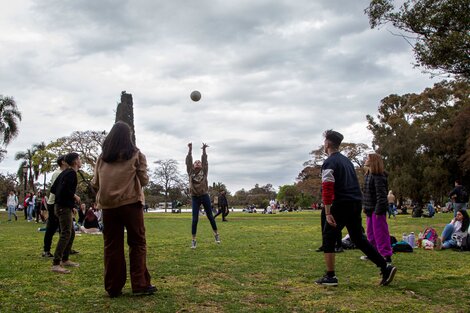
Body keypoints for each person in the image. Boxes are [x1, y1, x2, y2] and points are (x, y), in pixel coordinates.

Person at [315, 129, 397, 287]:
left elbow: (327, 188)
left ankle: (330, 276)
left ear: (327, 144)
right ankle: (385, 267)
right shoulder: (347, 161)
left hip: (340, 203)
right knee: (358, 237)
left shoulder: (329, 162)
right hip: (355, 202)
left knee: (329, 237)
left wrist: (327, 211)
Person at [92, 121, 155, 297]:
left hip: (108, 206)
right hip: (130, 203)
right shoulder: (136, 155)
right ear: (128, 137)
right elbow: (144, 180)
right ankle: (140, 284)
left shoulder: (102, 158)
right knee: (137, 243)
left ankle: (113, 287)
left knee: (112, 246)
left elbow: (95, 182)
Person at [50, 152, 81, 274]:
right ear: (75, 161)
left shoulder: (64, 173)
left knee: (71, 233)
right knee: (66, 233)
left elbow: (54, 189)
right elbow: (63, 189)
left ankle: (65, 259)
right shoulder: (71, 173)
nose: (80, 161)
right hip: (63, 207)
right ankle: (56, 263)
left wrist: (71, 205)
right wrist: (74, 196)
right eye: (79, 159)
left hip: (63, 206)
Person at [186, 142, 220, 249]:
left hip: (204, 195)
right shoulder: (190, 171)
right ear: (193, 165)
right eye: (195, 162)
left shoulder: (204, 172)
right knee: (195, 219)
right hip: (195, 197)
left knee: (210, 217)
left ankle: (216, 235)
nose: (197, 163)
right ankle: (193, 240)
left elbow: (205, 161)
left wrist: (204, 150)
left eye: (199, 162)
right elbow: (188, 161)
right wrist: (190, 150)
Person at [362, 153, 393, 264]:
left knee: (380, 233)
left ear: (373, 161)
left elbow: (381, 195)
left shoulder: (379, 176)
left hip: (377, 210)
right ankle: (373, 254)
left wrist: (378, 211)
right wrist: (365, 207)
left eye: (367, 158)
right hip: (369, 209)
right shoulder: (367, 175)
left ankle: (386, 255)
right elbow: (366, 193)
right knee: (370, 233)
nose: (365, 160)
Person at [43, 155, 67, 258]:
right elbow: (57, 189)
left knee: (65, 227)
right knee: (52, 227)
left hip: (61, 203)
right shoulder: (58, 173)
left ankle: (66, 249)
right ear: (62, 162)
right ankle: (46, 250)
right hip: (54, 203)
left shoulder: (65, 173)